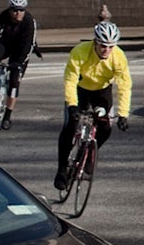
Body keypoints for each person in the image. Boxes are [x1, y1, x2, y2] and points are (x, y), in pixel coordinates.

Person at [56, 21, 131, 193]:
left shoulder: (118, 57)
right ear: (95, 42)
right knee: (70, 126)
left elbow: (124, 86)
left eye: (111, 46)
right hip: (80, 90)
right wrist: (72, 105)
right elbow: (70, 80)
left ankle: (88, 153)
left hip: (102, 92)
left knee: (105, 127)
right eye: (103, 46)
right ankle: (61, 170)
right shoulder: (80, 51)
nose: (107, 50)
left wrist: (123, 114)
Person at [0, 0, 37, 128]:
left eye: (21, 10)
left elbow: (28, 45)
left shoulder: (29, 21)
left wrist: (18, 63)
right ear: (9, 10)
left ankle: (7, 116)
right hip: (6, 44)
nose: (17, 13)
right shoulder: (2, 17)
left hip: (20, 50)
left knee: (14, 82)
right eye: (14, 10)